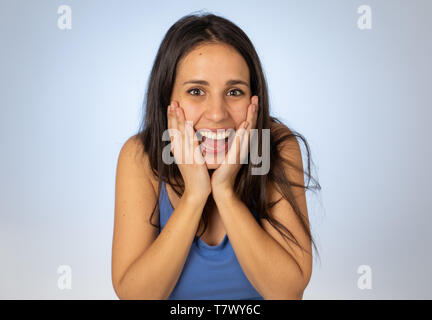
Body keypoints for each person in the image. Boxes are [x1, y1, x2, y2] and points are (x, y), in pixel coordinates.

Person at [111, 12, 320, 300]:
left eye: (234, 91)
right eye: (196, 91)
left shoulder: (273, 147)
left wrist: (224, 191)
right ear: (167, 98)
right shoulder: (141, 156)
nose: (218, 114)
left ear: (253, 99)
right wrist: (195, 194)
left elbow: (286, 291)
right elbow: (135, 295)